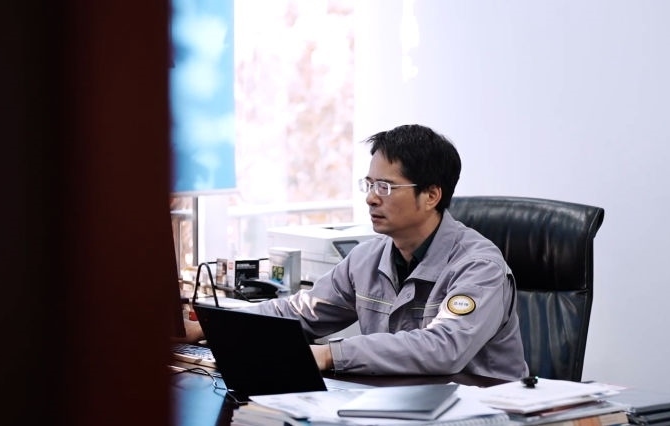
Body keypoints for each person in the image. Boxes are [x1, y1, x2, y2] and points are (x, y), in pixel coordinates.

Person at [183, 124, 528, 381]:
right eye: (369, 184)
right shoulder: (368, 258)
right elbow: (301, 311)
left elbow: (443, 348)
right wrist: (208, 327)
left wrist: (330, 354)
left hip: (482, 413)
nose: (371, 198)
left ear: (431, 196)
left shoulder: (479, 267)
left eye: (385, 187)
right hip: (401, 407)